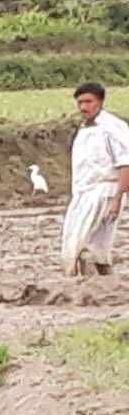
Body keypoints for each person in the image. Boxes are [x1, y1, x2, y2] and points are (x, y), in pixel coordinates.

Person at [61, 82, 129, 277]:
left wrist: (117, 198)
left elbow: (125, 163)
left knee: (87, 244)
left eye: (88, 101)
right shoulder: (84, 129)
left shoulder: (113, 128)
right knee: (80, 242)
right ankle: (102, 282)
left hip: (104, 191)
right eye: (80, 102)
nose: (84, 107)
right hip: (83, 192)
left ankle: (90, 289)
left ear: (100, 102)